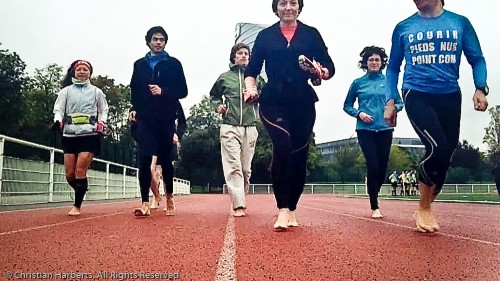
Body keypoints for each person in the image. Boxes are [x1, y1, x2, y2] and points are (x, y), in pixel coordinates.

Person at [384, 0, 489, 232]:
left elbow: (477, 58)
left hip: (450, 95)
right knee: (437, 147)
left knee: (446, 154)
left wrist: (480, 87)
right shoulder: (404, 27)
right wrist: (390, 100)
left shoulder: (460, 23)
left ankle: (429, 198)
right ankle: (423, 208)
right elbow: (392, 67)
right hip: (416, 92)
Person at [244, 0, 335, 230]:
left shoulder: (311, 34)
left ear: (299, 7)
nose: (288, 7)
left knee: (299, 155)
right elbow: (251, 71)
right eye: (283, 3)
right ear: (276, 8)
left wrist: (319, 71)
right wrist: (252, 88)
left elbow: (329, 68)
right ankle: (282, 209)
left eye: (293, 2)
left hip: (303, 100)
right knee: (282, 146)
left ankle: (292, 207)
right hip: (273, 99)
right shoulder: (265, 36)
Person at [129, 26, 188, 217]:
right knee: (144, 160)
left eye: (162, 39)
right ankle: (145, 202)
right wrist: (133, 109)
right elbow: (135, 91)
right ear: (148, 41)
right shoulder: (139, 65)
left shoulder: (173, 64)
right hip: (145, 119)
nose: (158, 42)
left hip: (165, 118)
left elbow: (183, 91)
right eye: (155, 39)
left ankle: (169, 198)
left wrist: (163, 92)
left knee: (165, 161)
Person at [343, 46, 403, 219]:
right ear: (365, 63)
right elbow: (347, 105)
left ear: (382, 62)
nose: (374, 63)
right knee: (373, 164)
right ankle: (374, 204)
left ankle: (374, 189)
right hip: (365, 129)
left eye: (377, 60)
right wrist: (359, 113)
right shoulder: (358, 83)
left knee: (383, 166)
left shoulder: (389, 82)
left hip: (385, 128)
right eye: (371, 60)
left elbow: (399, 102)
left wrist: (393, 109)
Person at [210, 43, 265, 217]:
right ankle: (238, 204)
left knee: (245, 169)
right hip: (229, 126)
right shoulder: (225, 78)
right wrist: (218, 106)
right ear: (233, 57)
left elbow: (267, 95)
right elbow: (214, 95)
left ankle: (241, 194)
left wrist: (257, 97)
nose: (243, 56)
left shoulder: (256, 78)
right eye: (240, 53)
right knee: (233, 166)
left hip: (250, 126)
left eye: (246, 54)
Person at [52, 60, 109, 216]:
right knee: (70, 175)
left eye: (85, 69)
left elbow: (103, 110)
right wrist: (58, 119)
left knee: (80, 170)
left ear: (90, 73)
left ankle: (77, 206)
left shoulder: (97, 92)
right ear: (74, 72)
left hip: (89, 135)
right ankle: (82, 188)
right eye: (79, 69)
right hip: (69, 134)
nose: (82, 72)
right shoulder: (65, 92)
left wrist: (101, 123)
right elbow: (58, 109)